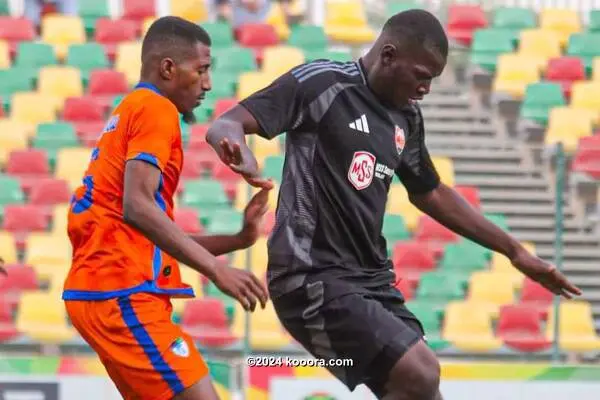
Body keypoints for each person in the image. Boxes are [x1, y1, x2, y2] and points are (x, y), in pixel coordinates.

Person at [205, 9, 582, 400]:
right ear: (388, 55)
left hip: (371, 279)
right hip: (310, 276)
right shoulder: (323, 84)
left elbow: (431, 192)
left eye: (433, 79)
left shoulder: (406, 118)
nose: (426, 89)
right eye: (421, 75)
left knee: (424, 387)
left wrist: (515, 251)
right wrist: (237, 148)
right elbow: (227, 123)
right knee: (419, 373)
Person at [62, 16, 271, 400]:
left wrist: (239, 239)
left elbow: (148, 232)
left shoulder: (134, 108)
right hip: (121, 293)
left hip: (108, 291)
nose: (207, 84)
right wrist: (217, 272)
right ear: (169, 68)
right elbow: (137, 208)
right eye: (202, 70)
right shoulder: (155, 109)